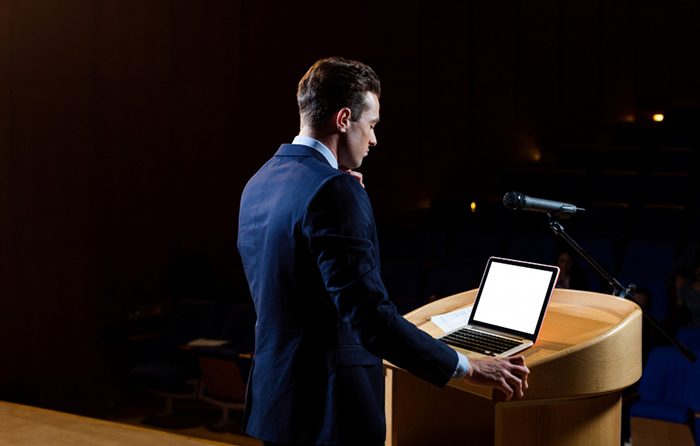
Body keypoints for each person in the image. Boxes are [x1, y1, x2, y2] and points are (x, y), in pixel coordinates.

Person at [237, 56, 529, 446]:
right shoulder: (335, 191)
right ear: (344, 119)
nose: (374, 139)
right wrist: (469, 367)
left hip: (277, 405)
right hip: (332, 411)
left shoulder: (260, 182)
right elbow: (370, 317)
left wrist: (337, 190)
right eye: (372, 125)